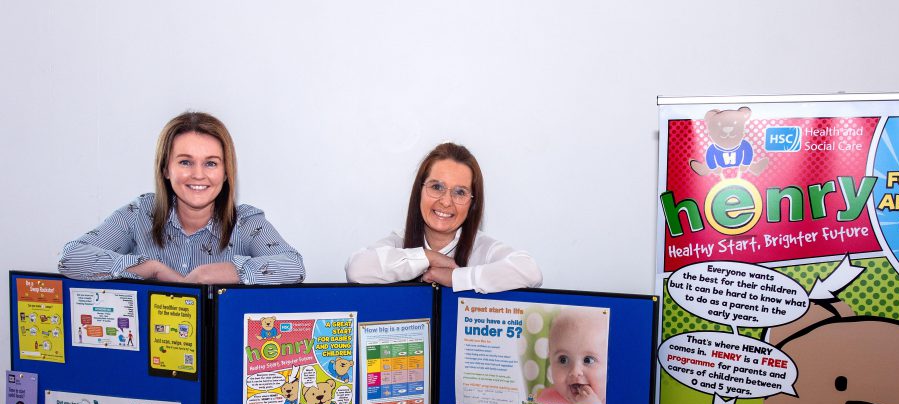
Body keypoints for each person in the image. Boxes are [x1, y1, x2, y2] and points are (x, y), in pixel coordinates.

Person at [58, 111, 304, 285]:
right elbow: (70, 258)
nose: (198, 175)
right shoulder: (139, 214)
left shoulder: (246, 222)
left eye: (211, 163)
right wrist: (152, 269)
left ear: (226, 171)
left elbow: (294, 267)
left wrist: (220, 273)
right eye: (185, 162)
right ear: (166, 169)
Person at [347, 142, 541, 294]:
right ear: (419, 191)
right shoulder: (398, 242)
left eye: (460, 192)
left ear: (472, 203)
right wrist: (426, 257)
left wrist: (456, 278)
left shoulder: (483, 249)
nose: (446, 202)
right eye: (437, 187)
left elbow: (530, 272)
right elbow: (356, 269)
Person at [534, 308, 608, 404]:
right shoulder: (544, 399)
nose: (575, 371)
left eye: (588, 360)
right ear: (550, 359)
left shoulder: (615, 403)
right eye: (563, 359)